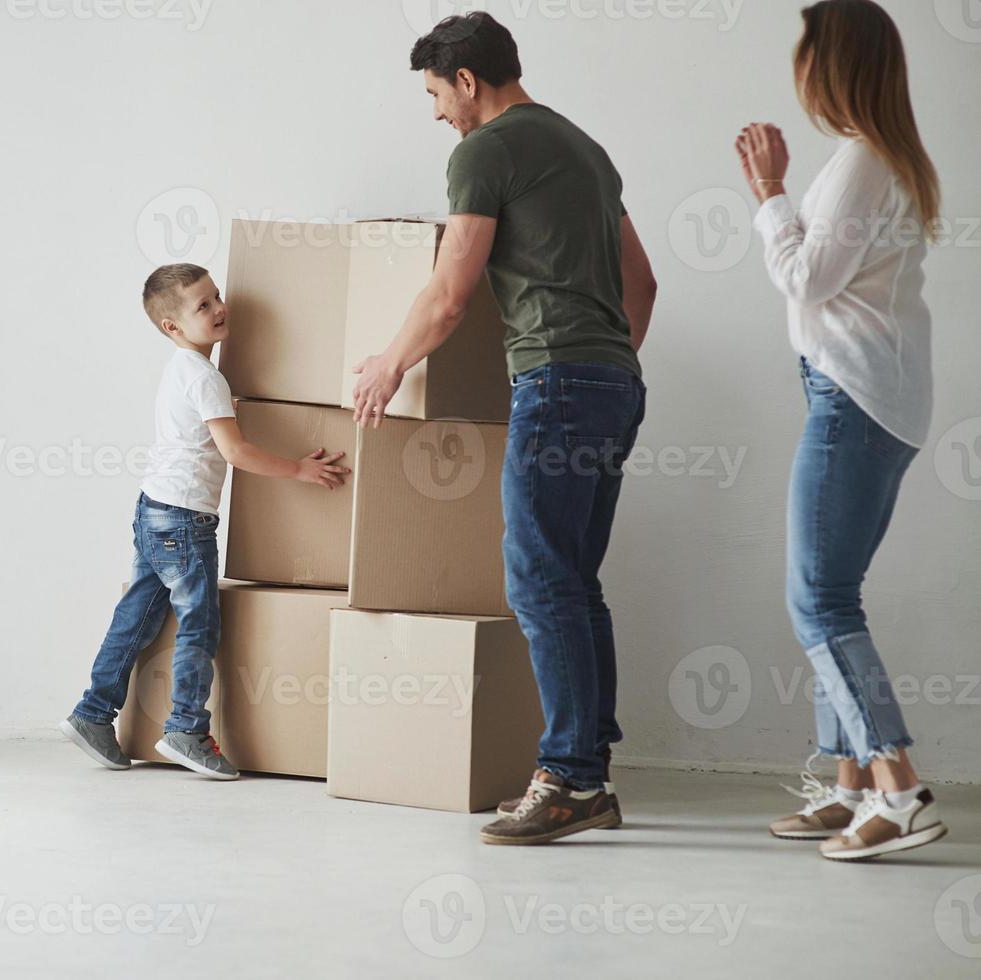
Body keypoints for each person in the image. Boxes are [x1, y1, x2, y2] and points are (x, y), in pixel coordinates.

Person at [351, 12, 658, 845]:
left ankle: (565, 778)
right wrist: (605, 365)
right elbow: (643, 283)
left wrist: (387, 363)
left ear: (466, 81)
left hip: (556, 382)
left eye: (434, 94)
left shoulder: (483, 152)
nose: (436, 113)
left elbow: (451, 291)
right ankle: (586, 775)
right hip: (612, 385)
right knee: (572, 582)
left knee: (536, 579)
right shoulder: (584, 149)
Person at [742, 0, 947, 861]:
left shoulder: (861, 163)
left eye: (805, 58)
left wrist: (766, 195)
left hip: (852, 399)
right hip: (874, 398)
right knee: (833, 593)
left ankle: (895, 787)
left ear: (831, 68)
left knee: (816, 600)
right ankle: (849, 780)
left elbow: (807, 279)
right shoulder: (876, 158)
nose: (798, 74)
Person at [61, 264, 350, 780]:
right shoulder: (206, 378)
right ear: (172, 327)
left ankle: (91, 713)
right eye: (202, 306)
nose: (219, 308)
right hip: (186, 522)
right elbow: (235, 452)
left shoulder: (182, 370)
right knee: (200, 625)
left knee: (137, 619)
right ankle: (186, 729)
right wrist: (299, 470)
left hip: (153, 509)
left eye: (216, 296)